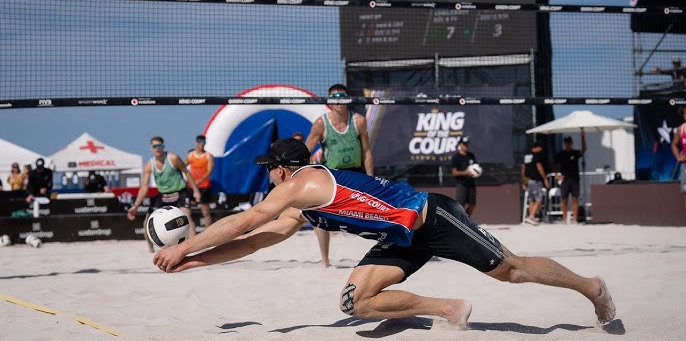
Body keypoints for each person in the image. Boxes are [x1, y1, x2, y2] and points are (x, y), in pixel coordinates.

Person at [153, 138, 616, 329]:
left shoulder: (306, 181)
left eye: (269, 170)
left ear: (283, 168)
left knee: (510, 271)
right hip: (401, 237)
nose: (268, 177)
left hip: (430, 215)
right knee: (356, 302)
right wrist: (193, 260)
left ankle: (592, 288)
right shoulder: (302, 207)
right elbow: (254, 242)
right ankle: (450, 309)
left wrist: (188, 244)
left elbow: (247, 221)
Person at [304, 84, 374, 267]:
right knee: (317, 212)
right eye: (334, 97)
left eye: (341, 96)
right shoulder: (321, 123)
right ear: (330, 101)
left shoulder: (358, 120)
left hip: (355, 172)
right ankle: (325, 261)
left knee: (378, 211)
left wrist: (371, 178)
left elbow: (366, 151)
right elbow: (305, 150)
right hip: (332, 174)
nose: (338, 100)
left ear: (347, 99)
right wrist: (306, 171)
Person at [127, 136, 201, 252]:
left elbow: (186, 172)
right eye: (154, 146)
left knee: (187, 217)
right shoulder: (149, 165)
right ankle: (151, 250)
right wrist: (136, 206)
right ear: (151, 148)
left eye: (159, 146)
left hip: (180, 192)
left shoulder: (173, 158)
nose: (157, 148)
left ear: (163, 147)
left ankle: (194, 248)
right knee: (147, 222)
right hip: (163, 195)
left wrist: (196, 191)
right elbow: (144, 187)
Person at [554, 131, 587, 224]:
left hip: (575, 178)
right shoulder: (561, 154)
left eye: (569, 142)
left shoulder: (575, 153)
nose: (568, 144)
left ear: (571, 143)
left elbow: (584, 149)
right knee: (564, 199)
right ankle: (564, 219)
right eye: (566, 142)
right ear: (564, 143)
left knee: (575, 198)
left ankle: (574, 219)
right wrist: (556, 174)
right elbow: (554, 164)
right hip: (565, 179)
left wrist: (583, 137)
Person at [186, 134, 215, 228]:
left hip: (204, 186)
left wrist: (198, 182)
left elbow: (209, 172)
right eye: (200, 142)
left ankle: (208, 234)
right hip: (191, 187)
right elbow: (182, 167)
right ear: (196, 143)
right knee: (187, 211)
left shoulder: (208, 156)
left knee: (205, 211)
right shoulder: (190, 155)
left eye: (204, 142)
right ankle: (190, 234)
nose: (202, 144)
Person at [521, 142, 550, 225]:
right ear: (537, 147)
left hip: (527, 179)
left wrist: (524, 181)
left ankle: (531, 218)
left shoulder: (526, 156)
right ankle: (532, 216)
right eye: (540, 148)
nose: (541, 150)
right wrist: (545, 179)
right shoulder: (536, 155)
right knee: (539, 198)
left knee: (531, 199)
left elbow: (523, 169)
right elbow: (539, 167)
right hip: (535, 179)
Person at [450, 136, 479, 216]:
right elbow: (454, 172)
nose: (466, 146)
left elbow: (476, 167)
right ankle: (458, 220)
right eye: (464, 144)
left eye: (467, 144)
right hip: (462, 183)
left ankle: (466, 220)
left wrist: (477, 171)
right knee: (460, 205)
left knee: (472, 204)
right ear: (460, 144)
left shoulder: (471, 155)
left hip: (471, 182)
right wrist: (465, 172)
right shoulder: (456, 157)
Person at [671, 106, 686, 209]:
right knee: (685, 191)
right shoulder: (681, 129)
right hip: (685, 165)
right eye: (685, 114)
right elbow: (674, 144)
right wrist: (678, 157)